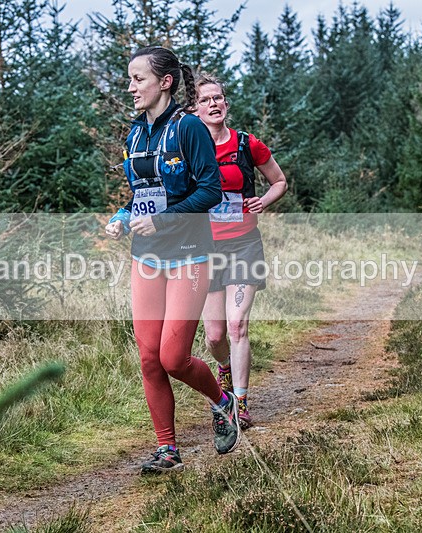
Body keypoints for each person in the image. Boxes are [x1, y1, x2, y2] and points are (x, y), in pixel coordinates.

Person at [105, 47, 242, 474]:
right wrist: (123, 216)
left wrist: (161, 221)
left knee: (173, 357)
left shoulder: (189, 129)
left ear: (164, 82)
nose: (131, 87)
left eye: (138, 79)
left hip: (189, 254)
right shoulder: (134, 133)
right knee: (148, 358)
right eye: (129, 79)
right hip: (146, 257)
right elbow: (139, 196)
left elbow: (210, 192)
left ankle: (224, 403)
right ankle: (168, 450)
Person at [195, 74, 288, 430]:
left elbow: (279, 181)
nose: (214, 104)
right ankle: (224, 369)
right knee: (215, 336)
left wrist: (262, 200)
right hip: (205, 247)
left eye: (218, 98)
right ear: (196, 109)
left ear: (226, 105)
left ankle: (240, 403)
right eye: (206, 100)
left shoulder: (248, 144)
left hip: (243, 245)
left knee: (237, 325)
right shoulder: (190, 150)